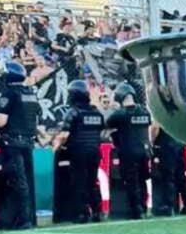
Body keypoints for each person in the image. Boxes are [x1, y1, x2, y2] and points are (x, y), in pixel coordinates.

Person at [0, 60, 39, 231]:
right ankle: (30, 218)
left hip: (12, 143)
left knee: (18, 183)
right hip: (28, 141)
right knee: (27, 181)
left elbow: (1, 121)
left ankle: (21, 220)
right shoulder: (31, 93)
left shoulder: (9, 94)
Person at [52, 80, 104, 224]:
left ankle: (82, 213)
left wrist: (55, 147)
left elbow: (64, 135)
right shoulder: (96, 113)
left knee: (79, 182)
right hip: (95, 152)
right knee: (93, 182)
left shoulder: (73, 112)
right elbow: (102, 130)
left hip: (78, 152)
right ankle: (98, 212)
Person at [105, 83, 151, 219]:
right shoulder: (144, 112)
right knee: (142, 180)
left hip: (128, 152)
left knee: (132, 181)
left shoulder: (119, 115)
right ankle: (143, 207)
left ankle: (136, 211)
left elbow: (107, 124)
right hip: (144, 151)